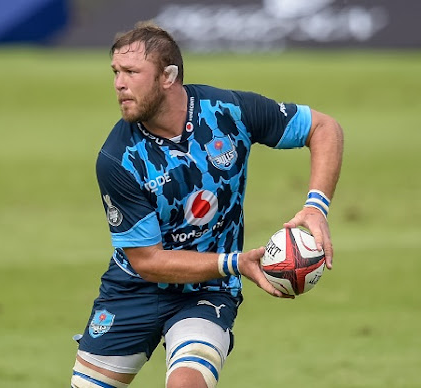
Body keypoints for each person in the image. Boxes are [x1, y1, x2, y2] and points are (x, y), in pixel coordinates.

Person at [70, 21, 343, 388]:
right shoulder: (118, 159)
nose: (119, 83)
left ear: (168, 76)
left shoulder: (227, 112)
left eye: (132, 72)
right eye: (116, 72)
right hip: (133, 289)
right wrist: (236, 262)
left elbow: (324, 128)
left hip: (208, 289)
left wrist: (316, 206)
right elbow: (147, 261)